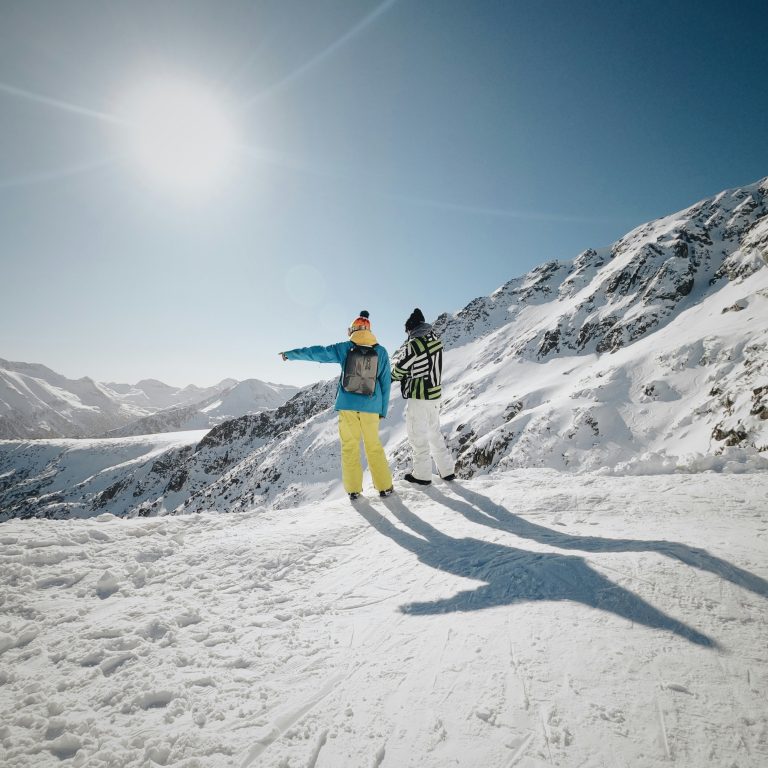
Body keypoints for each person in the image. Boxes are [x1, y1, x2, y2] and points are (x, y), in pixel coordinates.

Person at [280, 311, 394, 500]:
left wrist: (290, 354)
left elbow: (318, 352)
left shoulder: (345, 348)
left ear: (353, 330)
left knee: (349, 447)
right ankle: (384, 487)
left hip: (348, 405)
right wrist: (381, 410)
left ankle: (354, 491)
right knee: (373, 447)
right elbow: (385, 383)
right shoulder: (381, 352)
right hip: (372, 406)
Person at [391, 308, 456, 485]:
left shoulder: (414, 344)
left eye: (407, 331)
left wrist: (391, 376)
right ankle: (447, 471)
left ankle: (422, 474)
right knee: (434, 433)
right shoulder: (436, 341)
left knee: (417, 435)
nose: (407, 334)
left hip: (419, 396)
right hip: (434, 395)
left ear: (412, 328)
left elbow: (400, 370)